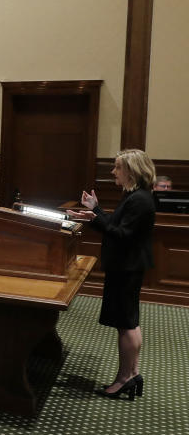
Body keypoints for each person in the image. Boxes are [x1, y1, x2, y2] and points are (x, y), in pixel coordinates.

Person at [67, 149, 156, 400]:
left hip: (126, 268)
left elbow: (122, 236)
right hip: (127, 267)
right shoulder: (135, 196)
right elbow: (118, 226)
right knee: (130, 322)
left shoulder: (138, 199)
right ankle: (133, 372)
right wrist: (96, 211)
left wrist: (95, 219)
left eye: (117, 167)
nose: (113, 172)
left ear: (131, 170)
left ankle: (124, 378)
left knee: (126, 325)